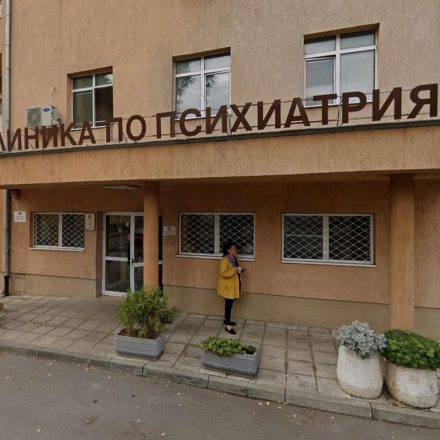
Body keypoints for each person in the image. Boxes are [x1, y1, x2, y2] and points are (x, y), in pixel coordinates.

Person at [217, 241, 246, 335]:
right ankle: (228, 325)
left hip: (233, 285)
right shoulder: (225, 260)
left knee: (230, 304)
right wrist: (235, 270)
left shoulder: (234, 258)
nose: (235, 250)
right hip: (228, 286)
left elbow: (235, 269)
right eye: (233, 249)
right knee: (228, 305)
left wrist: (240, 270)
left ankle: (227, 320)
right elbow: (223, 273)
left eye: (236, 248)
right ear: (228, 250)